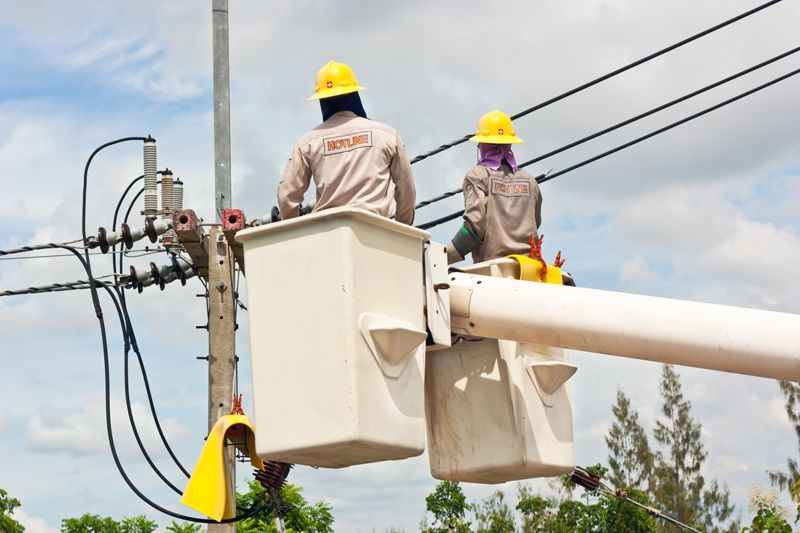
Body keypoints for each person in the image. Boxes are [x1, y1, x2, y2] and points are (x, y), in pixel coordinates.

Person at [277, 61, 416, 224]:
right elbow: (407, 191)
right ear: (354, 94)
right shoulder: (386, 135)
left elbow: (287, 195)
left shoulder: (308, 142)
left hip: (327, 234)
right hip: (377, 231)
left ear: (322, 101)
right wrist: (403, 230)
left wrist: (293, 231)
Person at [445, 110, 542, 264]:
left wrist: (443, 257)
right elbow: (535, 222)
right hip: (529, 271)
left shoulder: (477, 176)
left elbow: (473, 228)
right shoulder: (530, 181)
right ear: (510, 143)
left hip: (493, 270)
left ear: (482, 144)